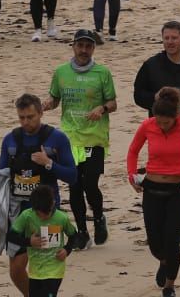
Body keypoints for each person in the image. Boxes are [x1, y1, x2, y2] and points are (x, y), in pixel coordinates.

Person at [125, 87, 180, 297]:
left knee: (172, 239)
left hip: (179, 190)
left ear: (176, 116)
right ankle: (164, 261)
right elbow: (133, 151)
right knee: (155, 243)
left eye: (167, 122)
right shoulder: (147, 125)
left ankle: (169, 286)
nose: (162, 126)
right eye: (159, 122)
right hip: (152, 189)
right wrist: (132, 175)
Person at [0, 92, 76, 284]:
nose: (26, 122)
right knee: (16, 269)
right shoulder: (10, 140)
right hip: (17, 211)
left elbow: (72, 176)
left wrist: (49, 163)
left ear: (41, 113)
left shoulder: (57, 139)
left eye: (30, 117)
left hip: (47, 212)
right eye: (21, 118)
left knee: (47, 268)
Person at [45, 29, 116, 247]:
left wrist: (102, 108)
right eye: (80, 45)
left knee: (90, 184)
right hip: (70, 138)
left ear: (93, 48)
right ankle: (82, 233)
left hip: (94, 137)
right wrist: (47, 104)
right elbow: (55, 98)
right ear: (73, 46)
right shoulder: (61, 72)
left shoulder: (102, 73)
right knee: (75, 185)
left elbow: (113, 103)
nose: (84, 50)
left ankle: (99, 218)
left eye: (88, 46)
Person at [8, 183, 74, 297]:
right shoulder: (26, 216)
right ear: (34, 208)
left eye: (47, 212)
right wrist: (29, 242)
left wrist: (67, 250)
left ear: (53, 203)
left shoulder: (61, 218)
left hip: (55, 270)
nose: (44, 217)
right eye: (40, 214)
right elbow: (11, 236)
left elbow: (74, 236)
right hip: (35, 271)